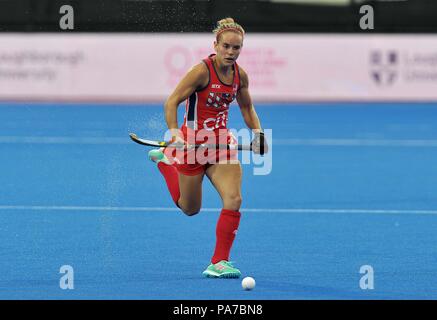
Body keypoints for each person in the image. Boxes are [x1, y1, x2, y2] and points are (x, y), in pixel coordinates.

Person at [148, 17, 268, 278]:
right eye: (226, 46)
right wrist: (174, 134)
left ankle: (219, 262)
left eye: (236, 48)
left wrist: (258, 133)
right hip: (192, 146)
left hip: (221, 145)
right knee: (190, 209)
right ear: (216, 44)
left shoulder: (240, 76)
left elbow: (247, 107)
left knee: (234, 199)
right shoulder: (201, 71)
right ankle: (165, 162)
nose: (230, 52)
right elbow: (172, 102)